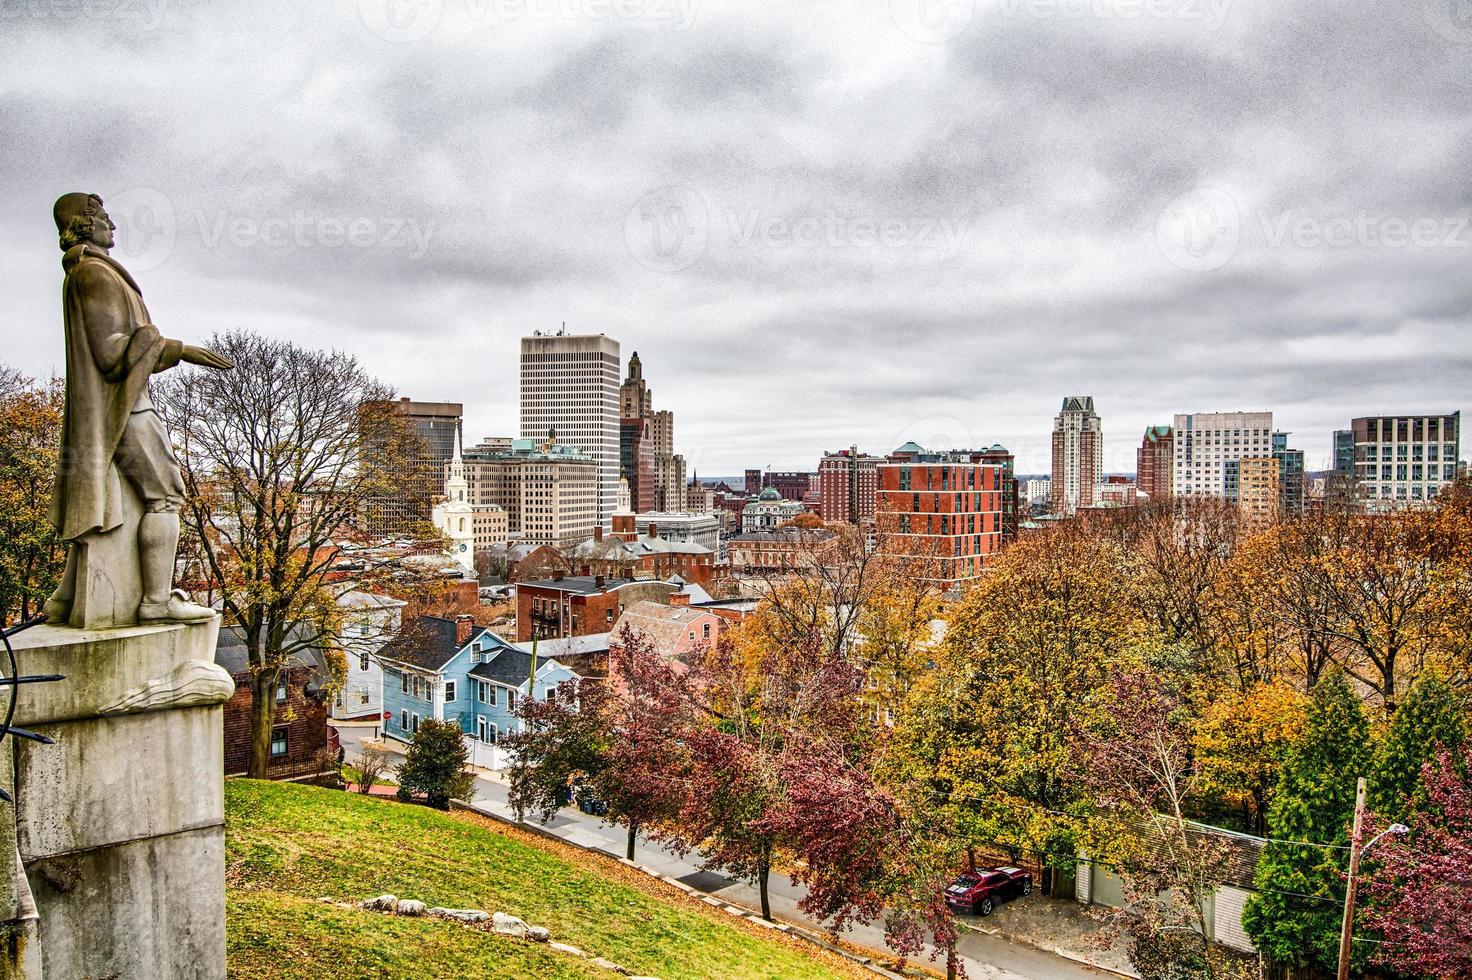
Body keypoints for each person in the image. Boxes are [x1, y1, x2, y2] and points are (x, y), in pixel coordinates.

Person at [44, 192, 233, 625]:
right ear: (84, 223)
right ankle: (155, 600)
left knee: (104, 503)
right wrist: (178, 349)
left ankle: (66, 598)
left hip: (113, 409)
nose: (113, 225)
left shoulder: (88, 272)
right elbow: (112, 355)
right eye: (105, 217)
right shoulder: (96, 274)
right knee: (166, 496)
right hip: (125, 409)